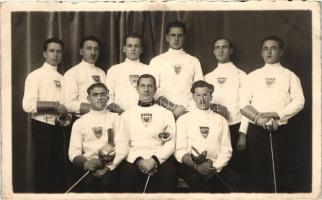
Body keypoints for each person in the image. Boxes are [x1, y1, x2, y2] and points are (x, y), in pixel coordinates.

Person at [240, 36, 305, 192]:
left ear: (281, 52)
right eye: (265, 48)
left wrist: (277, 114)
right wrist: (253, 123)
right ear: (261, 53)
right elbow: (243, 103)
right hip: (256, 130)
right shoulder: (253, 75)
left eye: (273, 48)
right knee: (258, 169)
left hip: (281, 130)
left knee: (280, 169)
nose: (269, 52)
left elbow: (299, 101)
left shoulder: (290, 75)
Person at [22, 37, 70, 193]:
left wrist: (65, 117)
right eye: (51, 51)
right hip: (42, 127)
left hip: (59, 128)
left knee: (58, 171)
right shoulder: (35, 75)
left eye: (58, 51)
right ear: (44, 53)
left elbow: (67, 108)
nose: (55, 54)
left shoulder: (64, 79)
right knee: (43, 170)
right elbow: (28, 105)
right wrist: (55, 106)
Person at [175, 80, 240, 193]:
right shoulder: (183, 119)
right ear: (193, 97)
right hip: (192, 167)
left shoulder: (221, 120)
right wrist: (197, 166)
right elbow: (179, 151)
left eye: (205, 95)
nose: (202, 99)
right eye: (198, 95)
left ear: (211, 96)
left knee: (236, 180)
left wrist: (214, 167)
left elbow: (226, 150)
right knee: (200, 182)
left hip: (215, 165)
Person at [118, 74, 177, 192]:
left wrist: (153, 160)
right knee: (126, 178)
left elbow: (170, 144)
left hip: (159, 159)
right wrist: (139, 161)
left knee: (169, 174)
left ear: (155, 90)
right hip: (134, 159)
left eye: (150, 86)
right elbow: (122, 143)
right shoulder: (126, 115)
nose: (146, 89)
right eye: (143, 86)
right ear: (137, 89)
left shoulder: (166, 113)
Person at [68, 83, 128, 192]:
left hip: (111, 166)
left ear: (108, 98)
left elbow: (123, 147)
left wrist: (107, 168)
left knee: (107, 183)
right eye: (95, 95)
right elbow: (73, 153)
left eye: (102, 95)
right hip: (88, 166)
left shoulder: (116, 118)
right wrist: (86, 164)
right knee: (86, 184)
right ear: (88, 98)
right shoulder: (79, 122)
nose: (99, 98)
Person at [204, 37, 248, 183]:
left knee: (235, 171)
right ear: (213, 51)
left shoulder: (241, 76)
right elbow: (201, 103)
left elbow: (246, 106)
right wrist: (215, 107)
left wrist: (243, 133)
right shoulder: (207, 77)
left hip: (235, 128)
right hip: (214, 128)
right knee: (216, 169)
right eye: (217, 47)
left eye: (224, 47)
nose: (221, 50)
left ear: (231, 50)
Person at [149, 21, 203, 119]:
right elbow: (152, 90)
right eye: (173, 35)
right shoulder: (156, 61)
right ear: (167, 38)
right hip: (163, 113)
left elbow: (200, 90)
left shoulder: (194, 61)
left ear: (185, 38)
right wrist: (172, 108)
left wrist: (186, 110)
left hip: (189, 113)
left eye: (180, 35)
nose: (176, 39)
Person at [105, 33, 149, 111]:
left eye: (136, 46)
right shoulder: (114, 70)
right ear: (124, 49)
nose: (133, 49)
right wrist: (122, 113)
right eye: (129, 46)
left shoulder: (148, 69)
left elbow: (153, 96)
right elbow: (108, 98)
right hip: (119, 115)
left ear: (141, 49)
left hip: (143, 113)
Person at [64, 36, 106, 116]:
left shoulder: (102, 73)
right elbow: (69, 104)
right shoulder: (72, 73)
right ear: (81, 51)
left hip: (103, 118)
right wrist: (94, 108)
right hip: (82, 119)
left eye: (96, 49)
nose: (93, 52)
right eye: (89, 48)